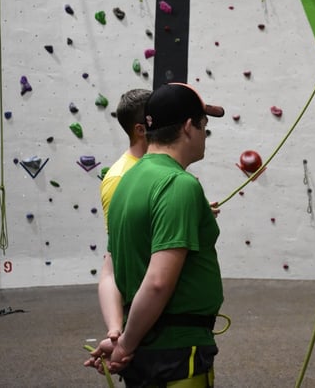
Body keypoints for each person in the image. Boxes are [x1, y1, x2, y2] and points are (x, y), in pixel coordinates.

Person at [86, 82, 226, 387]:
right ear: (189, 127)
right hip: (175, 352)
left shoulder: (126, 180)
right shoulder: (179, 184)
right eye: (204, 126)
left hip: (145, 347)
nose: (205, 135)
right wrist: (124, 345)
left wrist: (118, 333)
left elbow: (109, 271)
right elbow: (158, 282)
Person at [98, 88, 151, 343]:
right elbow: (115, 256)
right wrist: (116, 329)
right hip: (143, 303)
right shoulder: (119, 178)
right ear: (141, 129)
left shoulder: (156, 167)